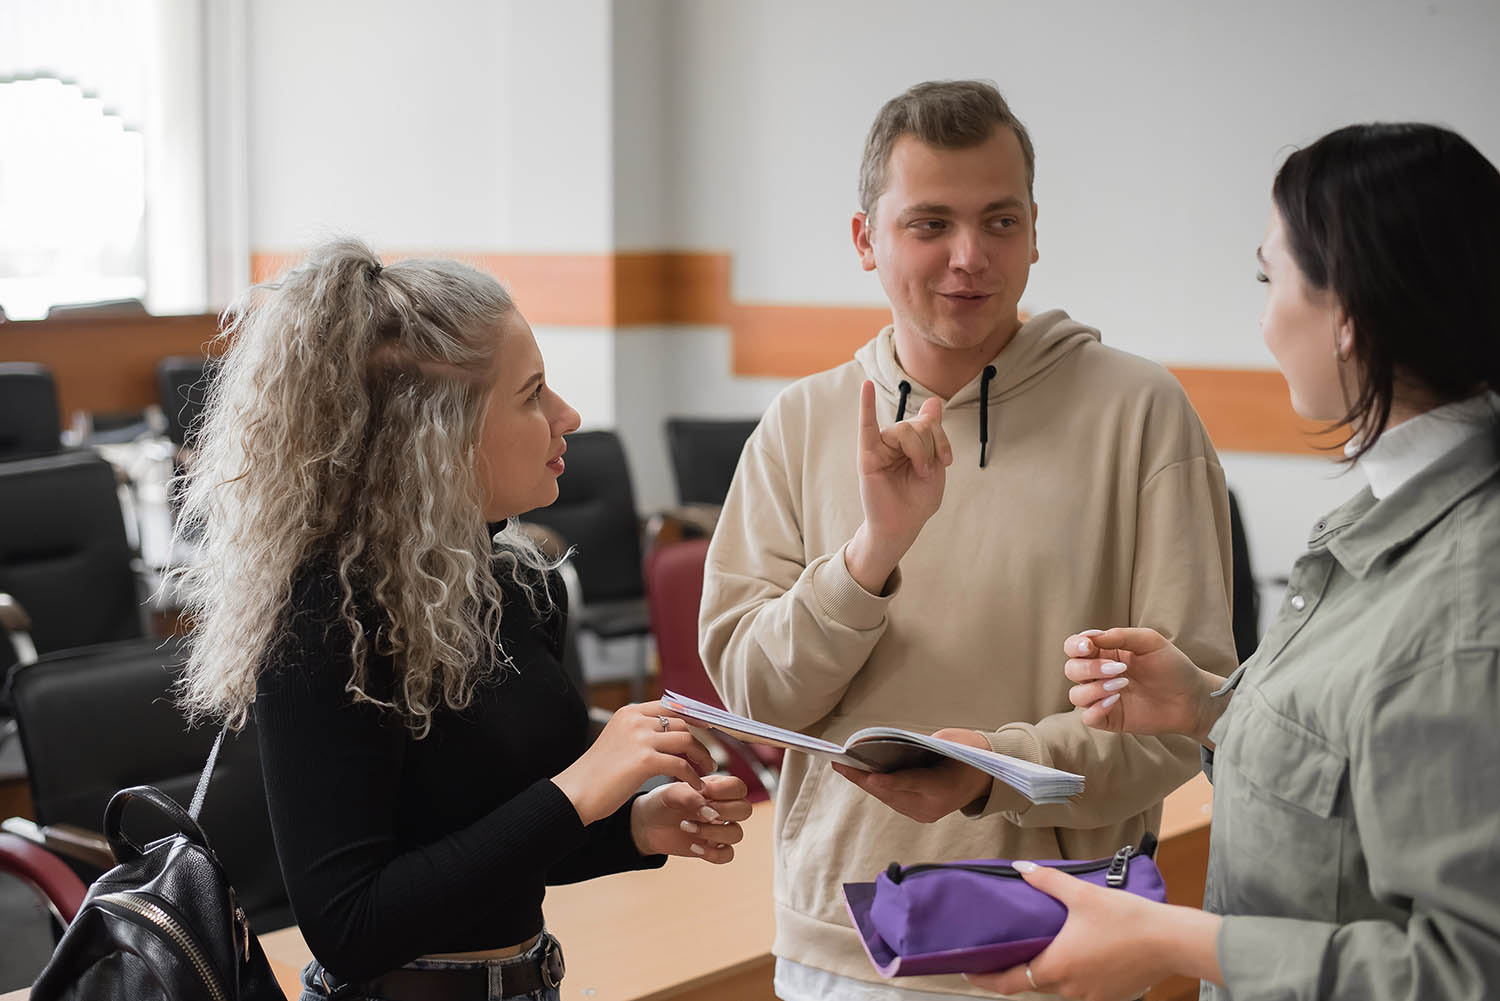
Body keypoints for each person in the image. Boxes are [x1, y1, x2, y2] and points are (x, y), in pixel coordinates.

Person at [699, 80, 1238, 1000]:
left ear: (1035, 229)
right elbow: (756, 696)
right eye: (929, 224)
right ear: (866, 239)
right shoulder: (800, 423)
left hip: (1068, 940)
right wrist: (873, 552)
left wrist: (994, 770)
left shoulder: (1143, 414)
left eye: (999, 221)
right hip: (846, 947)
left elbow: (1181, 724)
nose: (968, 258)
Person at [965, 122, 1500, 1001]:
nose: (1260, 318)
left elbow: (1466, 973)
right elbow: (1355, 788)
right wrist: (1208, 711)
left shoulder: (1467, 603)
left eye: (1270, 277)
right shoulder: (1387, 513)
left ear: (1348, 319)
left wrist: (1180, 941)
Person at [173, 239, 751, 1001]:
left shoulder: (521, 586)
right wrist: (582, 788)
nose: (567, 415)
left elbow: (502, 836)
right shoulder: (322, 619)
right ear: (437, 437)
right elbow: (349, 923)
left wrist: (633, 824)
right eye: (532, 393)